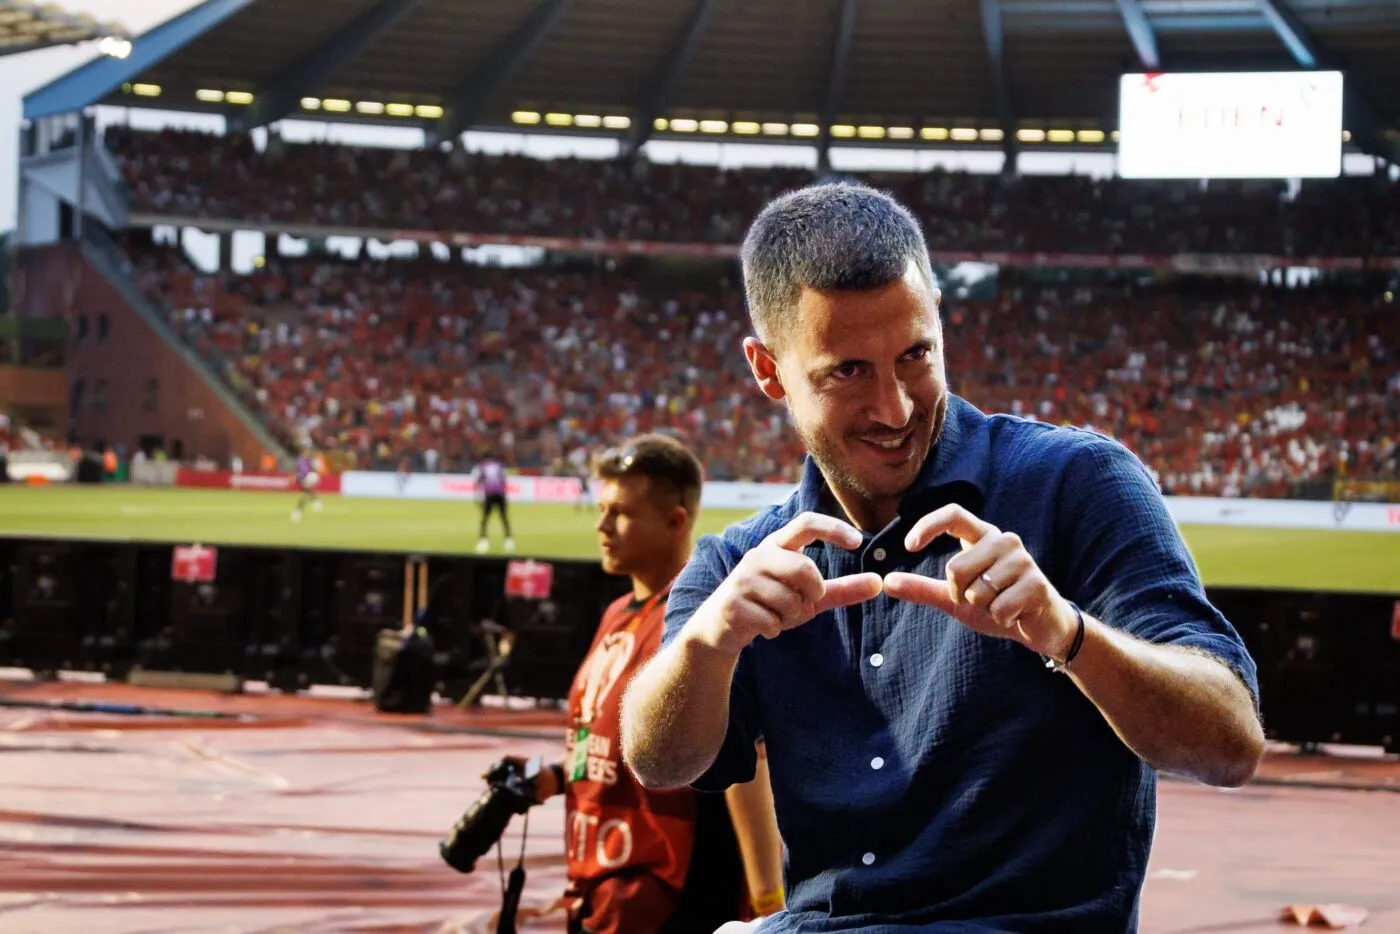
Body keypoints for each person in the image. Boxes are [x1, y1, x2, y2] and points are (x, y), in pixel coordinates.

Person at [620, 183, 1265, 932]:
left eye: (915, 355)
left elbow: (1231, 744)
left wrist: (1068, 635)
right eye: (848, 371)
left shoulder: (1076, 484)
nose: (894, 408)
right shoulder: (739, 563)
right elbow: (658, 761)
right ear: (769, 372)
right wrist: (708, 644)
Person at [489, 434, 785, 933]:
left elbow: (747, 765)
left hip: (667, 894)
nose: (602, 526)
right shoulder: (615, 615)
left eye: (620, 513)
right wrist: (558, 776)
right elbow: (612, 740)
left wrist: (767, 899)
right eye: (601, 509)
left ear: (675, 522)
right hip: (599, 891)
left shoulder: (705, 622)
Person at [473, 451, 514, 553]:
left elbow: (479, 482)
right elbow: (504, 479)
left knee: (485, 519)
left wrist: (477, 498)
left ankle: (483, 542)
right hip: (500, 495)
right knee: (504, 518)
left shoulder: (482, 466)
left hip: (489, 495)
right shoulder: (499, 465)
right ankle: (508, 541)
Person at [290, 448, 322, 522]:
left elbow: (310, 470)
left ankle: (298, 511)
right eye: (306, 452)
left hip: (309, 476)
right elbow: (298, 470)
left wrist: (296, 477)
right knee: (306, 491)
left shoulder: (309, 460)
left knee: (304, 493)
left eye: (308, 452)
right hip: (305, 477)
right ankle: (316, 502)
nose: (307, 454)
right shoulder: (299, 461)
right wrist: (296, 477)